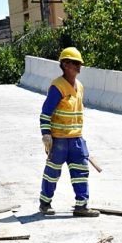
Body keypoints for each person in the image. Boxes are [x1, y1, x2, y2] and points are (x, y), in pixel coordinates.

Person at [38, 47, 98, 217]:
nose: (79, 67)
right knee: (52, 172)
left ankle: (81, 205)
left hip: (76, 139)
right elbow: (45, 113)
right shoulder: (58, 87)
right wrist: (46, 134)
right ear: (65, 64)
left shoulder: (80, 86)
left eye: (80, 63)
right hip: (59, 140)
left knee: (80, 172)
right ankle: (45, 203)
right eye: (75, 63)